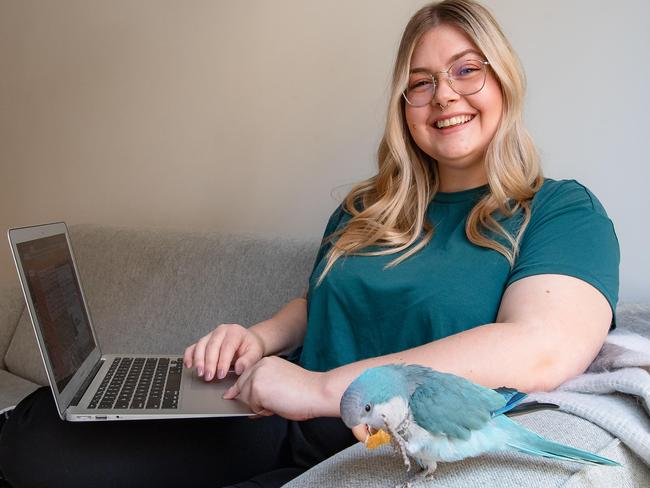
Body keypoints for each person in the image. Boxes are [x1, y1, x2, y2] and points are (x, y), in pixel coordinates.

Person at [0, 0, 619, 487]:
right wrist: (259, 337)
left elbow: (542, 349)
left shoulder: (559, 211)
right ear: (404, 107)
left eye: (466, 71)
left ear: (503, 81)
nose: (445, 96)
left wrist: (323, 392)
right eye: (421, 82)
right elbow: (318, 302)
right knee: (39, 441)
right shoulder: (367, 206)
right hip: (270, 418)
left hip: (365, 449)